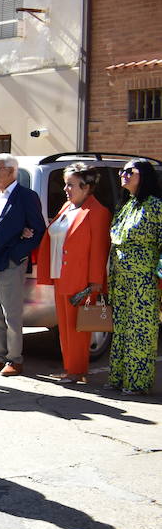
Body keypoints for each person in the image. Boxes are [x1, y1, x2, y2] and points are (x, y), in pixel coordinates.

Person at [34, 164, 110, 384]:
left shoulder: (98, 212)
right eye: (65, 183)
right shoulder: (67, 207)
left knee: (78, 328)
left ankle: (77, 370)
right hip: (61, 275)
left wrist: (95, 282)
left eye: (71, 184)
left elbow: (99, 250)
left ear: (86, 187)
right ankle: (70, 368)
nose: (65, 188)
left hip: (81, 279)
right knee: (65, 328)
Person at [0, 153, 46, 378]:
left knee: (11, 313)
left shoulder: (26, 196)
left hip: (9, 262)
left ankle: (14, 360)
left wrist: (18, 254)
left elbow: (37, 230)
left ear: (11, 171)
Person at [106, 159, 162, 395]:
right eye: (122, 171)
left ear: (145, 176)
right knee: (120, 329)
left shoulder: (156, 206)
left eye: (130, 172)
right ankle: (118, 378)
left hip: (144, 280)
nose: (124, 175)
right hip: (120, 279)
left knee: (141, 331)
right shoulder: (127, 205)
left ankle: (137, 383)